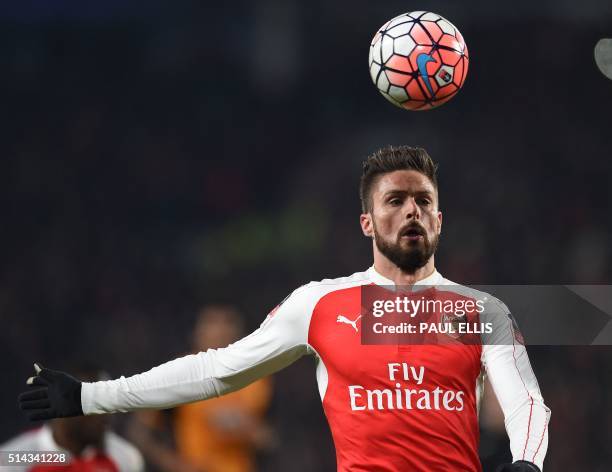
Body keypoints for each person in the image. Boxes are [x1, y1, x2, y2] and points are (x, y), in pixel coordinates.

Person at [18, 146, 550, 472]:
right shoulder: (319, 304)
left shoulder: (483, 311)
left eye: (424, 201)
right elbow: (216, 369)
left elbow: (527, 403)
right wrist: (90, 396)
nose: (412, 209)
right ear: (366, 223)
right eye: (395, 200)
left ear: (439, 220)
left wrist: (527, 463)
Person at [126, 305, 274, 472]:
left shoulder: (256, 377)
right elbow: (140, 432)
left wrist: (248, 430)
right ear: (197, 333)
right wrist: (174, 464)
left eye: (227, 323)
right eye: (213, 324)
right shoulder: (181, 373)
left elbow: (270, 438)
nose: (221, 332)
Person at [5, 365, 144, 472]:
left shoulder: (125, 457)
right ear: (64, 407)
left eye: (110, 406)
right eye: (97, 406)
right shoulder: (15, 458)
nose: (106, 416)